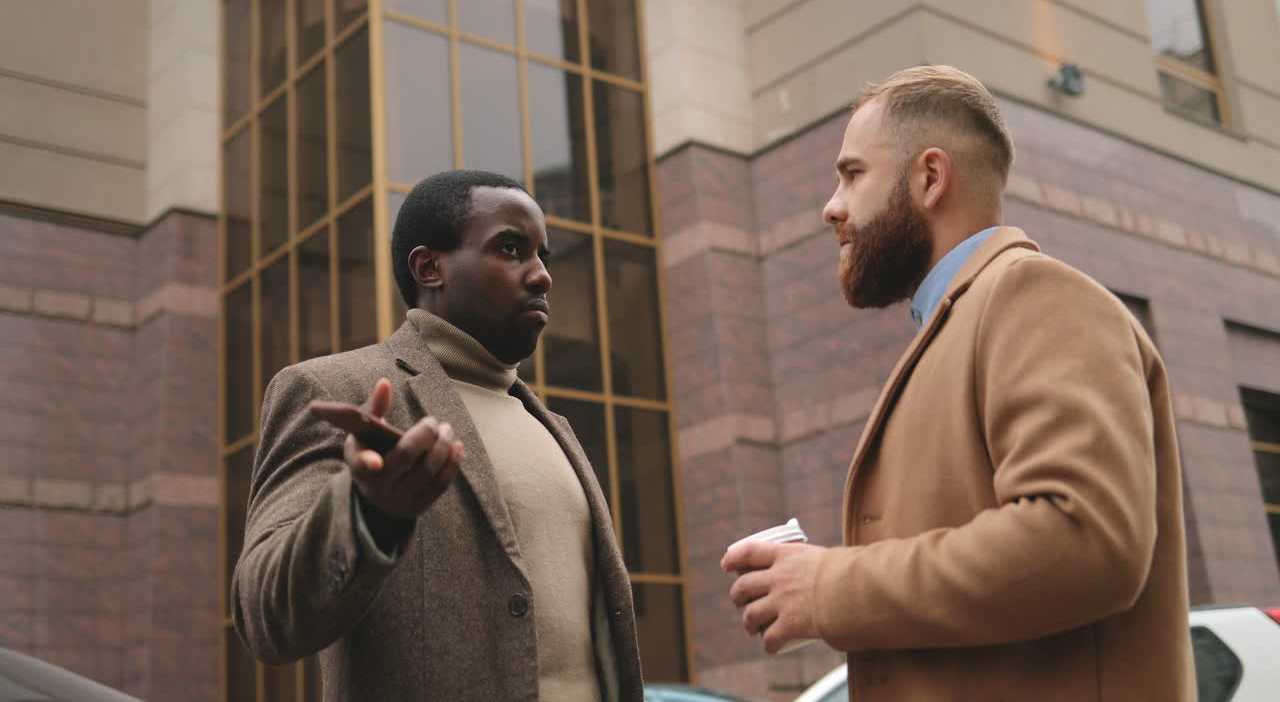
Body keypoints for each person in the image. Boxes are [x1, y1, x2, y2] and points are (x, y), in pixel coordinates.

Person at [720, 66, 1194, 700]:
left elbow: (1083, 542)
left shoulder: (1033, 294)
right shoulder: (965, 320)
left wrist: (832, 587)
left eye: (853, 173)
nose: (831, 206)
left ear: (930, 178)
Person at [233, 169, 644, 702]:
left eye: (543, 254)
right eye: (512, 249)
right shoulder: (336, 388)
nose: (542, 275)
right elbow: (264, 615)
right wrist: (367, 514)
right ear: (430, 267)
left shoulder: (553, 428)